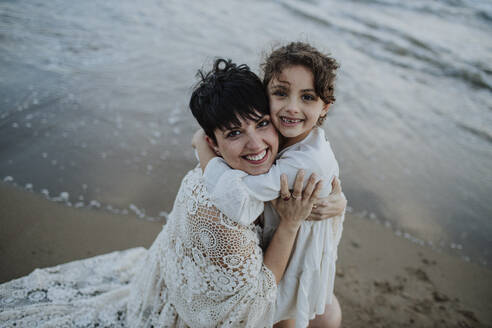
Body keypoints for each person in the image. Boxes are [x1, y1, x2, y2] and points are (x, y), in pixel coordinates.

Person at [0, 58, 345, 327]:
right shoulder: (220, 210)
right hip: (211, 312)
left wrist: (336, 201)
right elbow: (248, 313)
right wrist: (289, 224)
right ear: (213, 142)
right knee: (325, 317)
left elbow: (317, 167)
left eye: (262, 123)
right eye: (235, 133)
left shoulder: (280, 150)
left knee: (327, 311)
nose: (257, 145)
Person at [193, 42, 344, 328]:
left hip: (295, 251)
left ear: (325, 107)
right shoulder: (296, 136)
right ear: (266, 94)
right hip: (287, 239)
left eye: (308, 97)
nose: (292, 107)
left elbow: (236, 199)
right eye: (281, 93)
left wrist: (202, 147)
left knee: (279, 313)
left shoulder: (305, 162)